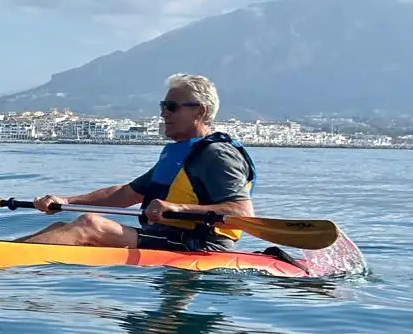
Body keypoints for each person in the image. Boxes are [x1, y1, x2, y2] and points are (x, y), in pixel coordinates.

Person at [16, 73, 256, 251]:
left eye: (171, 107)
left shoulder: (218, 155)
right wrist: (66, 200)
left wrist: (179, 208)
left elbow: (243, 212)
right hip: (163, 237)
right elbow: (124, 194)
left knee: (90, 225)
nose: (163, 114)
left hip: (201, 246)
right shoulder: (179, 153)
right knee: (60, 225)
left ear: (200, 112)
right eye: (163, 106)